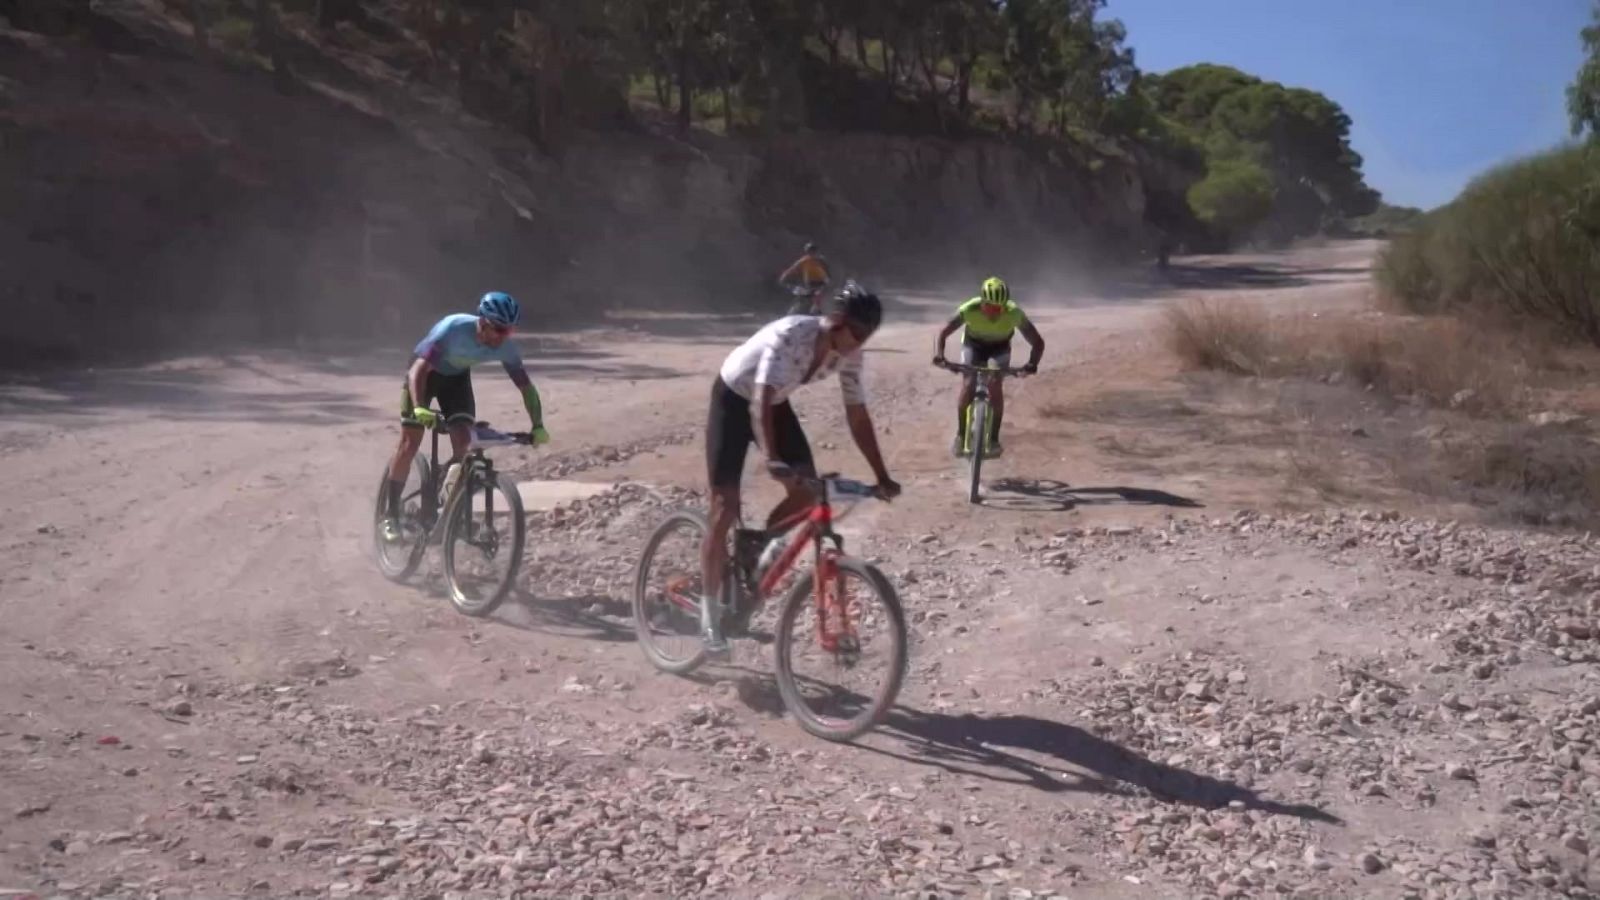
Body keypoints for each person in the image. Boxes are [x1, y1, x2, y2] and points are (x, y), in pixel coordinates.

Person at [701, 281, 901, 655]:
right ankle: (709, 616)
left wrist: (881, 475)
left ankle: (753, 546)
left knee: (808, 492)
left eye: (867, 336)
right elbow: (758, 400)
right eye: (856, 333)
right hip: (734, 398)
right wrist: (773, 458)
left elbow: (857, 415)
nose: (859, 343)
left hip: (774, 403)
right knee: (725, 507)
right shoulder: (792, 334)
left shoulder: (850, 353)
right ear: (837, 321)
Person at [379, 292, 550, 542]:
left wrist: (538, 425)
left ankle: (446, 503)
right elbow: (418, 371)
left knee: (465, 445)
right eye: (499, 330)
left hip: (456, 380)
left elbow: (526, 387)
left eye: (509, 331)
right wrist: (419, 408)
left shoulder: (505, 346)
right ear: (483, 322)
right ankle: (390, 514)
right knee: (410, 443)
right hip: (424, 375)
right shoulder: (453, 328)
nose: (504, 337)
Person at [932, 276, 1045, 458]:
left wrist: (1032, 364)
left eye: (998, 308)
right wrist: (940, 355)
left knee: (995, 385)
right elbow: (943, 333)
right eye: (990, 307)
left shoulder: (1014, 313)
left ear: (1005, 306)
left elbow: (1038, 342)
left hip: (999, 349)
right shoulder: (969, 309)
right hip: (973, 346)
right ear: (982, 302)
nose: (994, 312)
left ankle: (993, 440)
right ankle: (961, 436)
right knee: (968, 383)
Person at [777, 241, 832, 314]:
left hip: (821, 284)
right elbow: (793, 268)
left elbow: (827, 271)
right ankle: (794, 314)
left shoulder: (820, 260)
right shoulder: (804, 260)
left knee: (817, 299)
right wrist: (784, 276)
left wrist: (828, 281)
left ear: (816, 251)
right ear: (807, 252)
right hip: (809, 284)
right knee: (802, 300)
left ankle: (818, 313)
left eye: (813, 251)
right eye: (810, 252)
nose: (812, 254)